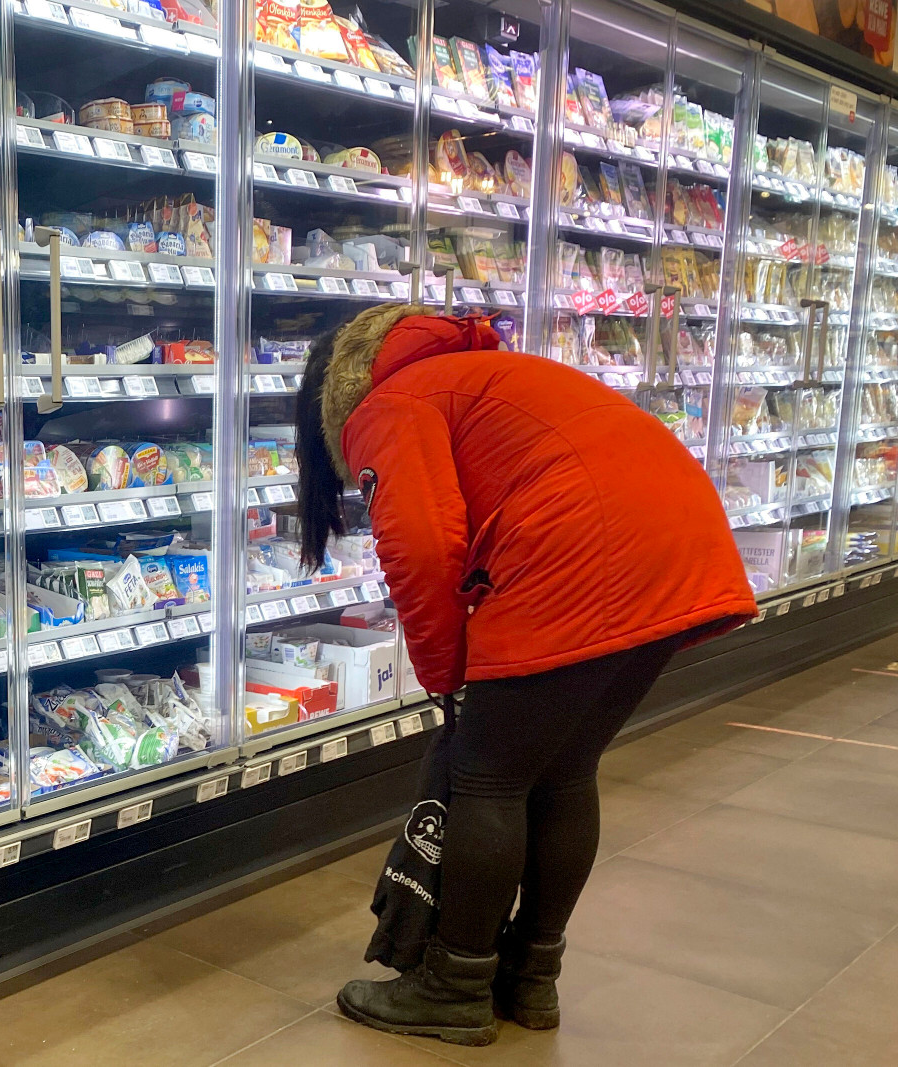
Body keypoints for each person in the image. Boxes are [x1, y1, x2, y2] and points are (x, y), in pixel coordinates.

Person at [295, 304, 757, 1046]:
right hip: (679, 534)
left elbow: (420, 545)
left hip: (581, 539)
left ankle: (453, 984)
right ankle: (530, 978)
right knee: (566, 769)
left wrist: (446, 677)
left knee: (487, 777)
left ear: (329, 404)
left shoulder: (387, 405)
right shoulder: (471, 375)